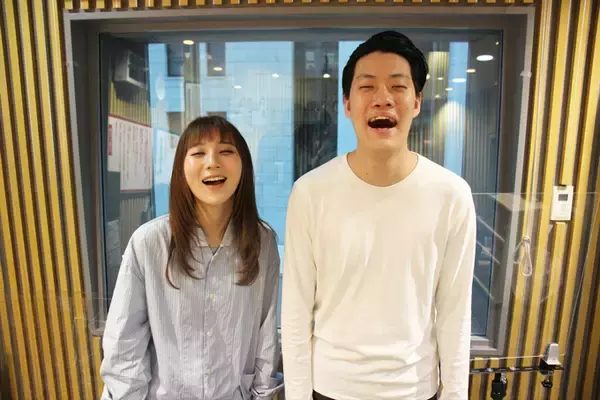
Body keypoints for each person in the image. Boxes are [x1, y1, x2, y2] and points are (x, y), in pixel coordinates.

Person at [281, 31, 477, 400]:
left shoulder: (451, 195)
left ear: (417, 102)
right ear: (347, 104)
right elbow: (295, 312)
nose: (383, 98)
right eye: (367, 86)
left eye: (398, 86)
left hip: (414, 389)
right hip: (330, 387)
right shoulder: (310, 193)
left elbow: (455, 313)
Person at [100, 116, 283, 399]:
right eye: (198, 153)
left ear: (244, 165)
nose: (212, 162)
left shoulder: (263, 242)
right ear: (180, 169)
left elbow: (266, 336)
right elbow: (124, 347)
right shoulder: (149, 242)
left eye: (226, 151)